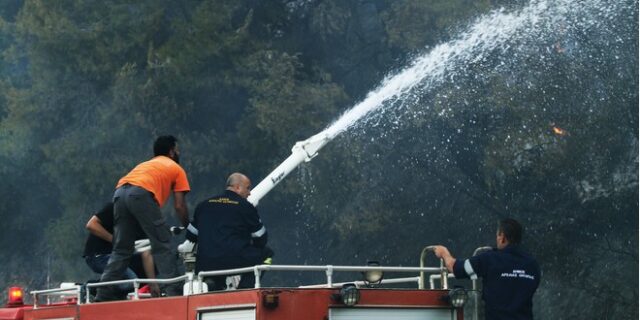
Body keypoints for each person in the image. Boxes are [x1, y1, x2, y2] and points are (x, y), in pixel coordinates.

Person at [95, 135, 190, 301]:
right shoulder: (176, 168)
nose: (178, 153)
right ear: (171, 152)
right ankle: (175, 294)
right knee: (162, 244)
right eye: (177, 150)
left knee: (121, 250)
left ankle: (102, 295)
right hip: (141, 194)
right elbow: (179, 206)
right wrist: (189, 227)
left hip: (120, 192)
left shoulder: (146, 165)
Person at [433, 218, 540, 320]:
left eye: (497, 235)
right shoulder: (532, 264)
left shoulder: (490, 259)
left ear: (502, 237)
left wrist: (444, 253)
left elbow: (457, 268)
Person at [193, 173, 273, 290]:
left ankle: (214, 284)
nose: (249, 193)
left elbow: (191, 234)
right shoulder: (246, 207)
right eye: (248, 188)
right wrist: (247, 242)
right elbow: (261, 238)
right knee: (267, 254)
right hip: (233, 260)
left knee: (215, 261)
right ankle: (245, 288)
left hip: (205, 264)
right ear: (237, 187)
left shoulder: (203, 206)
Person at [83, 202, 158, 296]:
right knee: (131, 281)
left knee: (153, 266)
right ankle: (89, 289)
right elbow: (91, 225)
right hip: (98, 256)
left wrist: (153, 283)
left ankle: (117, 296)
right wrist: (116, 241)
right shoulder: (116, 207)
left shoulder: (143, 221)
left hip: (121, 256)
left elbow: (146, 253)